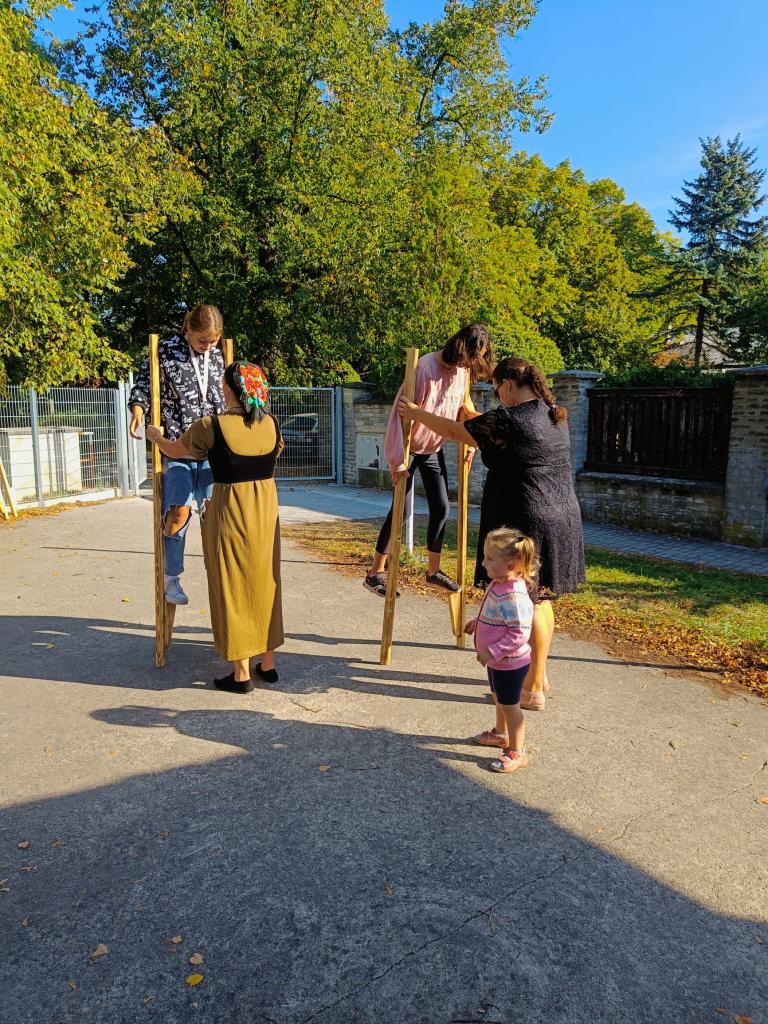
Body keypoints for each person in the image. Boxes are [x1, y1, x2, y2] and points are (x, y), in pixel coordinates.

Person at [397, 356, 585, 711]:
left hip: (529, 517)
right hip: (561, 516)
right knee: (542, 599)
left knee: (528, 601)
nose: (497, 396)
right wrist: (464, 409)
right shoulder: (551, 413)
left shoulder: (510, 420)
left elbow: (457, 432)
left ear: (508, 385)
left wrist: (416, 413)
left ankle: (531, 690)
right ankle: (538, 675)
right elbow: (479, 425)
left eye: (497, 389)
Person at [146, 361, 284, 695]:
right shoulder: (272, 424)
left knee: (231, 587)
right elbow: (272, 455)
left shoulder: (211, 425)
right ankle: (267, 664)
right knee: (266, 584)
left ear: (229, 389)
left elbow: (175, 449)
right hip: (266, 514)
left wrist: (156, 436)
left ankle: (241, 674)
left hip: (230, 513)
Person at [364, 324, 494, 598]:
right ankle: (375, 572)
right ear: (462, 347)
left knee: (442, 507)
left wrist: (473, 442)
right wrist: (397, 461)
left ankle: (433, 572)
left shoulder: (462, 372)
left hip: (432, 448)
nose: (472, 364)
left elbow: (465, 408)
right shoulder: (423, 368)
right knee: (400, 511)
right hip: (408, 449)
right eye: (473, 356)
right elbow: (398, 416)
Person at [129, 305, 227, 607]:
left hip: (213, 447)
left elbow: (229, 395)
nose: (207, 346)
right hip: (177, 444)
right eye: (202, 340)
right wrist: (138, 411)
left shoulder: (219, 357)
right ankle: (171, 577)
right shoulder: (166, 351)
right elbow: (143, 385)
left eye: (213, 341)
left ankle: (221, 575)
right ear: (188, 329)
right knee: (178, 511)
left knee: (214, 514)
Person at [466, 528, 536, 774]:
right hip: (498, 662)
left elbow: (519, 633)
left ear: (510, 565)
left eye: (489, 558)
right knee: (499, 699)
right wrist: (478, 623)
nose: (483, 563)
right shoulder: (498, 584)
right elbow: (496, 617)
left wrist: (493, 651)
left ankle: (517, 752)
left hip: (510, 663)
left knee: (511, 707)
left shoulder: (513, 596)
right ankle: (501, 734)